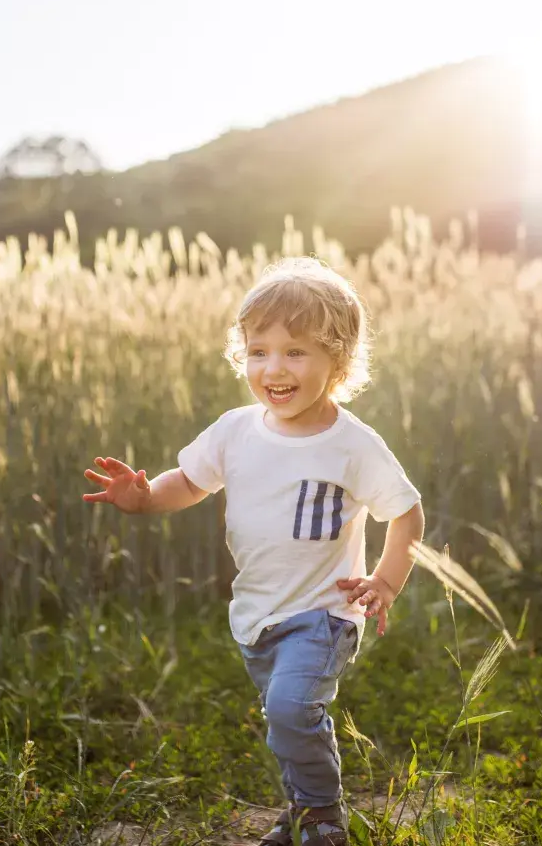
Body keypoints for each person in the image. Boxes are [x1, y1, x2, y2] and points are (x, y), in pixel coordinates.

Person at [83, 257, 426, 844]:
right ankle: (302, 811)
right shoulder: (235, 430)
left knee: (292, 711)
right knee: (288, 719)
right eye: (259, 351)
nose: (275, 367)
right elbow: (188, 481)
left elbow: (407, 512)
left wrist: (385, 581)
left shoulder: (352, 444)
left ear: (337, 361)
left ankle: (322, 815)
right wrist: (142, 500)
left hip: (325, 613)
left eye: (296, 352)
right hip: (257, 614)